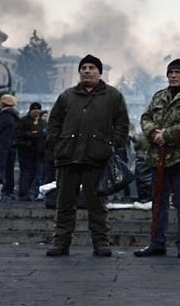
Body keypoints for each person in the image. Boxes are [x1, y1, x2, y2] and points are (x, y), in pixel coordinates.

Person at [45, 54, 130, 257]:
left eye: (92, 67)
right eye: (84, 67)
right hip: (69, 157)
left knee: (97, 205)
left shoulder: (113, 96)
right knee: (64, 204)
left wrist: (111, 145)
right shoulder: (67, 96)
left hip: (97, 159)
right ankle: (61, 242)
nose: (87, 71)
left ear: (99, 72)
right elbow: (54, 122)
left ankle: (101, 242)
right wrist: (57, 145)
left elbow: (122, 124)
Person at [135, 58, 180, 259]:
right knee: (158, 202)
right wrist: (153, 134)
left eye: (177, 72)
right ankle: (156, 242)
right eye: (170, 73)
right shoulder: (159, 97)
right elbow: (145, 118)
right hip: (157, 158)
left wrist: (167, 134)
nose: (173, 76)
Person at [15, 101, 47, 201]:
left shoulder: (43, 123)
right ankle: (23, 193)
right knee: (25, 173)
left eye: (38, 109)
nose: (36, 111)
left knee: (35, 173)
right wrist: (30, 135)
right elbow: (18, 134)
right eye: (34, 109)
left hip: (38, 152)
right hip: (25, 151)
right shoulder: (23, 121)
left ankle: (32, 192)